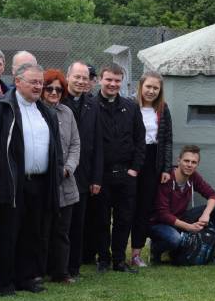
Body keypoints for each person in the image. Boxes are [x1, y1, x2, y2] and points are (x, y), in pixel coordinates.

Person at [0, 61, 63, 296]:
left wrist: (56, 175)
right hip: (11, 182)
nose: (38, 87)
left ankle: (26, 277)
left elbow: (56, 149)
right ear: (17, 82)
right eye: (33, 82)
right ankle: (4, 281)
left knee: (33, 232)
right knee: (7, 231)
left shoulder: (46, 111)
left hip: (40, 182)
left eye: (40, 83)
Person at [90, 63, 145, 273]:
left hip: (126, 174)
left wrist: (135, 169)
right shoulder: (91, 106)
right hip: (101, 175)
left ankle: (119, 260)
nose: (113, 84)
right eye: (109, 80)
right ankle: (103, 259)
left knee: (124, 219)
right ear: (101, 80)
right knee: (101, 220)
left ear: (122, 82)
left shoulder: (131, 107)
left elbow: (140, 140)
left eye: (117, 80)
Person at [61, 62, 103, 278]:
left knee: (78, 224)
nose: (80, 81)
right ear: (68, 76)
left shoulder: (92, 104)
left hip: (84, 175)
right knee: (60, 224)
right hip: (61, 174)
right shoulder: (57, 98)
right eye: (76, 76)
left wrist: (96, 178)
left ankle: (73, 268)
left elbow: (97, 142)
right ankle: (56, 265)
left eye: (84, 78)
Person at [149, 145, 215, 264]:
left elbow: (213, 195)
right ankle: (156, 249)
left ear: (197, 164)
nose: (189, 165)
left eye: (194, 162)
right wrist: (189, 227)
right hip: (159, 223)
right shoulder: (166, 177)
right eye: (186, 161)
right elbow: (163, 214)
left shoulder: (194, 177)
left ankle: (207, 251)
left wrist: (206, 214)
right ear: (179, 160)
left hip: (180, 218)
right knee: (175, 239)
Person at [130, 72, 173, 268]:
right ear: (141, 86)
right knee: (126, 207)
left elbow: (167, 141)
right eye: (148, 86)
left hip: (153, 162)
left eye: (156, 88)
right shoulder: (129, 106)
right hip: (131, 161)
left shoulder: (163, 109)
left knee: (144, 208)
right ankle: (113, 252)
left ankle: (136, 253)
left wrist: (165, 168)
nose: (151, 91)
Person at [41, 69, 81, 284]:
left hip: (66, 182)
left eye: (58, 88)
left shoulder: (67, 113)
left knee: (62, 231)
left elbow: (76, 144)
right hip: (43, 183)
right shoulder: (35, 110)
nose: (54, 92)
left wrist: (68, 168)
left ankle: (61, 272)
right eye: (50, 88)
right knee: (42, 230)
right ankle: (39, 270)